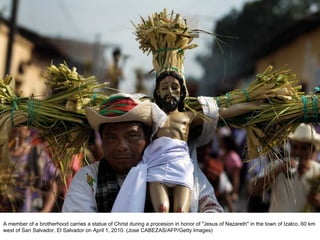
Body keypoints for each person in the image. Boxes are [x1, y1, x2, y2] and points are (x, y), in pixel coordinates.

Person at [62, 94, 224, 212]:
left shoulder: (180, 172)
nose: (121, 146)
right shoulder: (88, 179)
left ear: (148, 138)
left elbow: (212, 212)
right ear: (101, 142)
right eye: (112, 137)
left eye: (132, 136)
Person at [248, 123, 320, 212]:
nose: (298, 152)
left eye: (304, 148)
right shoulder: (277, 165)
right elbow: (253, 190)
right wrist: (277, 171)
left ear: (313, 151)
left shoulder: (318, 171)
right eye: (294, 147)